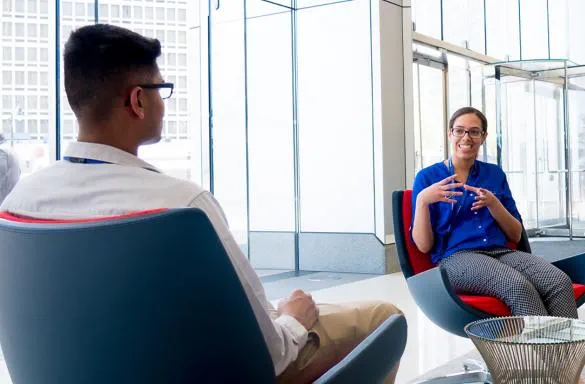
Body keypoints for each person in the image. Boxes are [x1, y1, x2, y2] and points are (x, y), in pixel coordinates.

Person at [0, 24, 402, 383]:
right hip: (209, 370)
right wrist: (292, 321)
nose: (164, 102)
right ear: (137, 100)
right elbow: (273, 356)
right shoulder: (182, 205)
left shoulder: (19, 202)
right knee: (384, 317)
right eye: (161, 89)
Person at [411, 106, 577, 318]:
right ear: (449, 133)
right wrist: (423, 200)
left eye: (474, 131)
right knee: (517, 286)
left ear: (483, 137)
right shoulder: (427, 177)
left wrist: (493, 203)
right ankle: (537, 351)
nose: (466, 137)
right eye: (459, 130)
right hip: (456, 258)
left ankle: (566, 351)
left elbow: (515, 235)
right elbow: (424, 245)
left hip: (501, 252)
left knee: (559, 282)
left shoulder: (494, 174)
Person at [0, 134, 20, 203]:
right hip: (11, 191)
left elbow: (1, 174)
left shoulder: (2, 152)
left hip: (4, 193)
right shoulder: (8, 149)